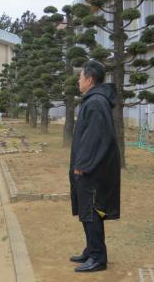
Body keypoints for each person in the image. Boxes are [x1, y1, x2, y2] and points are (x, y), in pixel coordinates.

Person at [69, 60, 120, 272]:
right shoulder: (93, 100)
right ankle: (91, 249)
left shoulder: (96, 102)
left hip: (92, 170)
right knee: (86, 211)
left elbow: (95, 138)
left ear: (90, 80)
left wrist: (83, 165)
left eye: (80, 77)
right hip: (89, 168)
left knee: (91, 211)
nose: (78, 80)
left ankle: (99, 257)